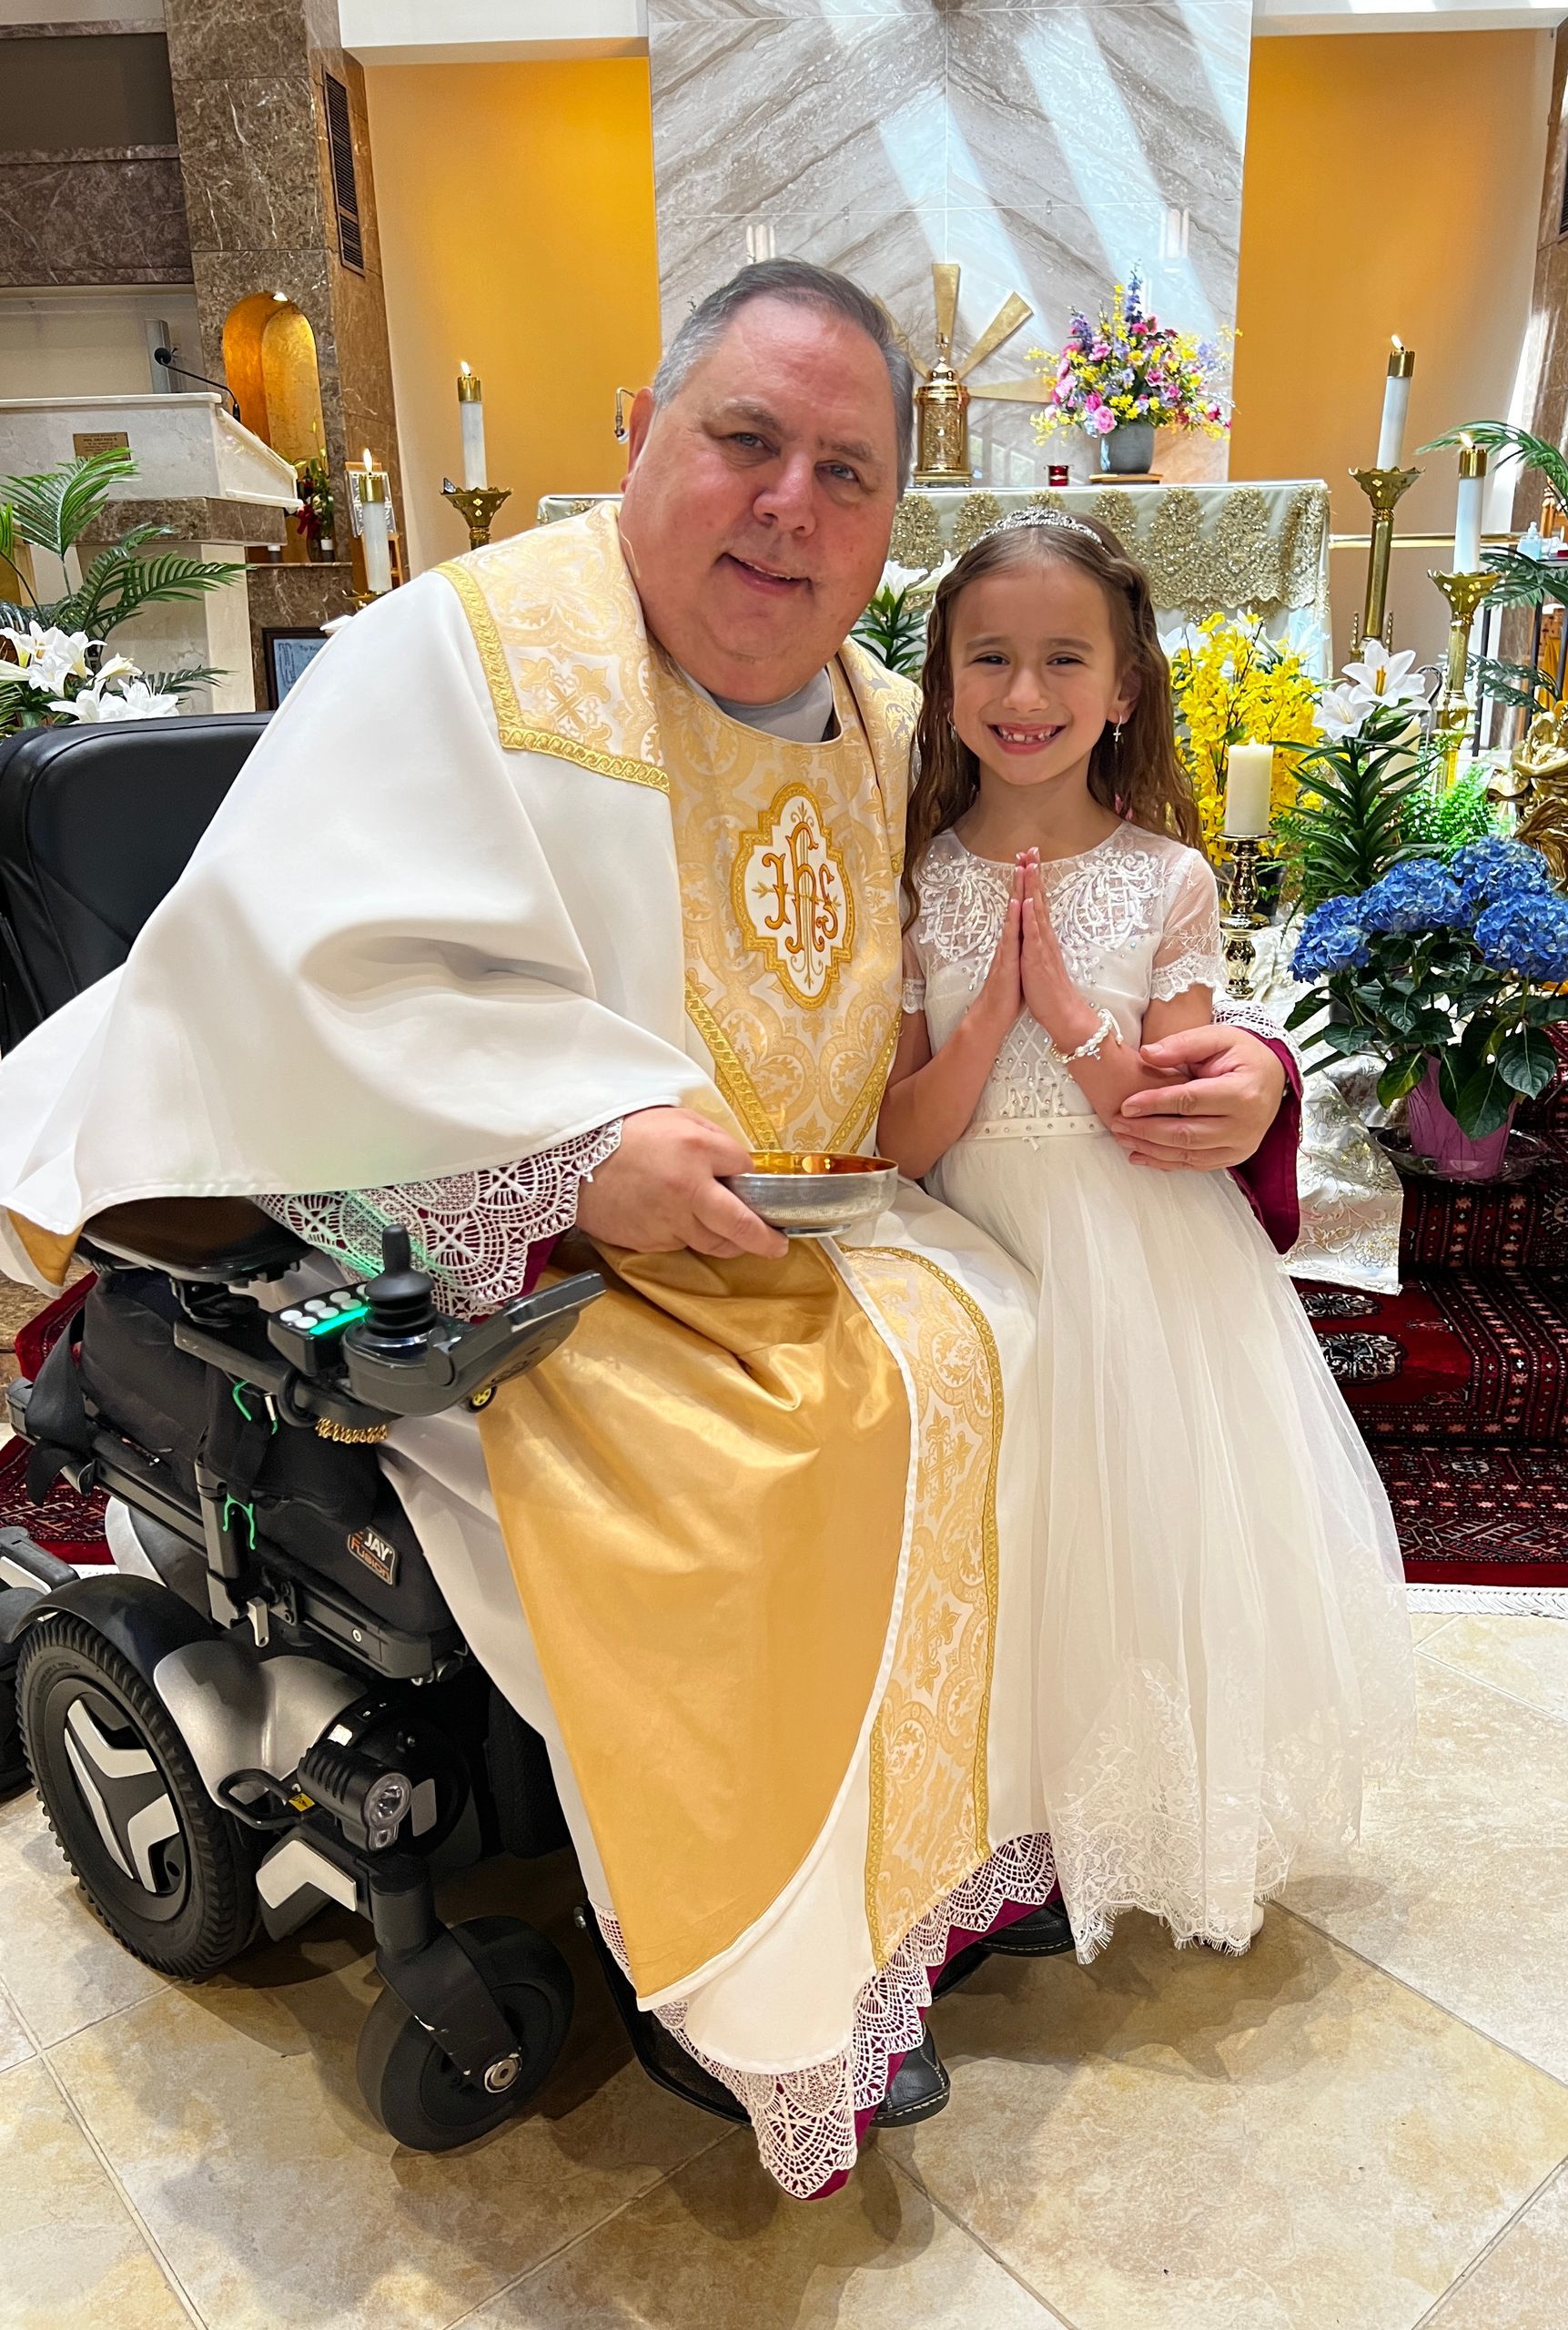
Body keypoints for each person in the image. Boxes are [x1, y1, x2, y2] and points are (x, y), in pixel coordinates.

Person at [0, 263, 1302, 2197]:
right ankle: (740, 1973)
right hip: (519, 1243)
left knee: (1017, 1347)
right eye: (744, 440)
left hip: (815, 1216)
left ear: (892, 519)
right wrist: (574, 1152)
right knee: (780, 1464)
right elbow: (283, 973)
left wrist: (1248, 1062)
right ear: (638, 434)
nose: (790, 506)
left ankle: (932, 1864)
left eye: (847, 474)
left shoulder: (895, 719)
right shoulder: (459, 657)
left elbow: (1066, 915)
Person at [878, 509, 1413, 1959]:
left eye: (1066, 659)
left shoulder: (1167, 876)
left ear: (1125, 688)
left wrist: (1065, 1012)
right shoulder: (917, 873)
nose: (1026, 692)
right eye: (990, 657)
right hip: (973, 1242)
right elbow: (901, 1140)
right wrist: (985, 1018)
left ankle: (1133, 1823)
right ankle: (998, 1826)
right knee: (1006, 1545)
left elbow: (1158, 1119)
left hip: (1134, 1252)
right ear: (943, 680)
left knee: (1129, 1536)